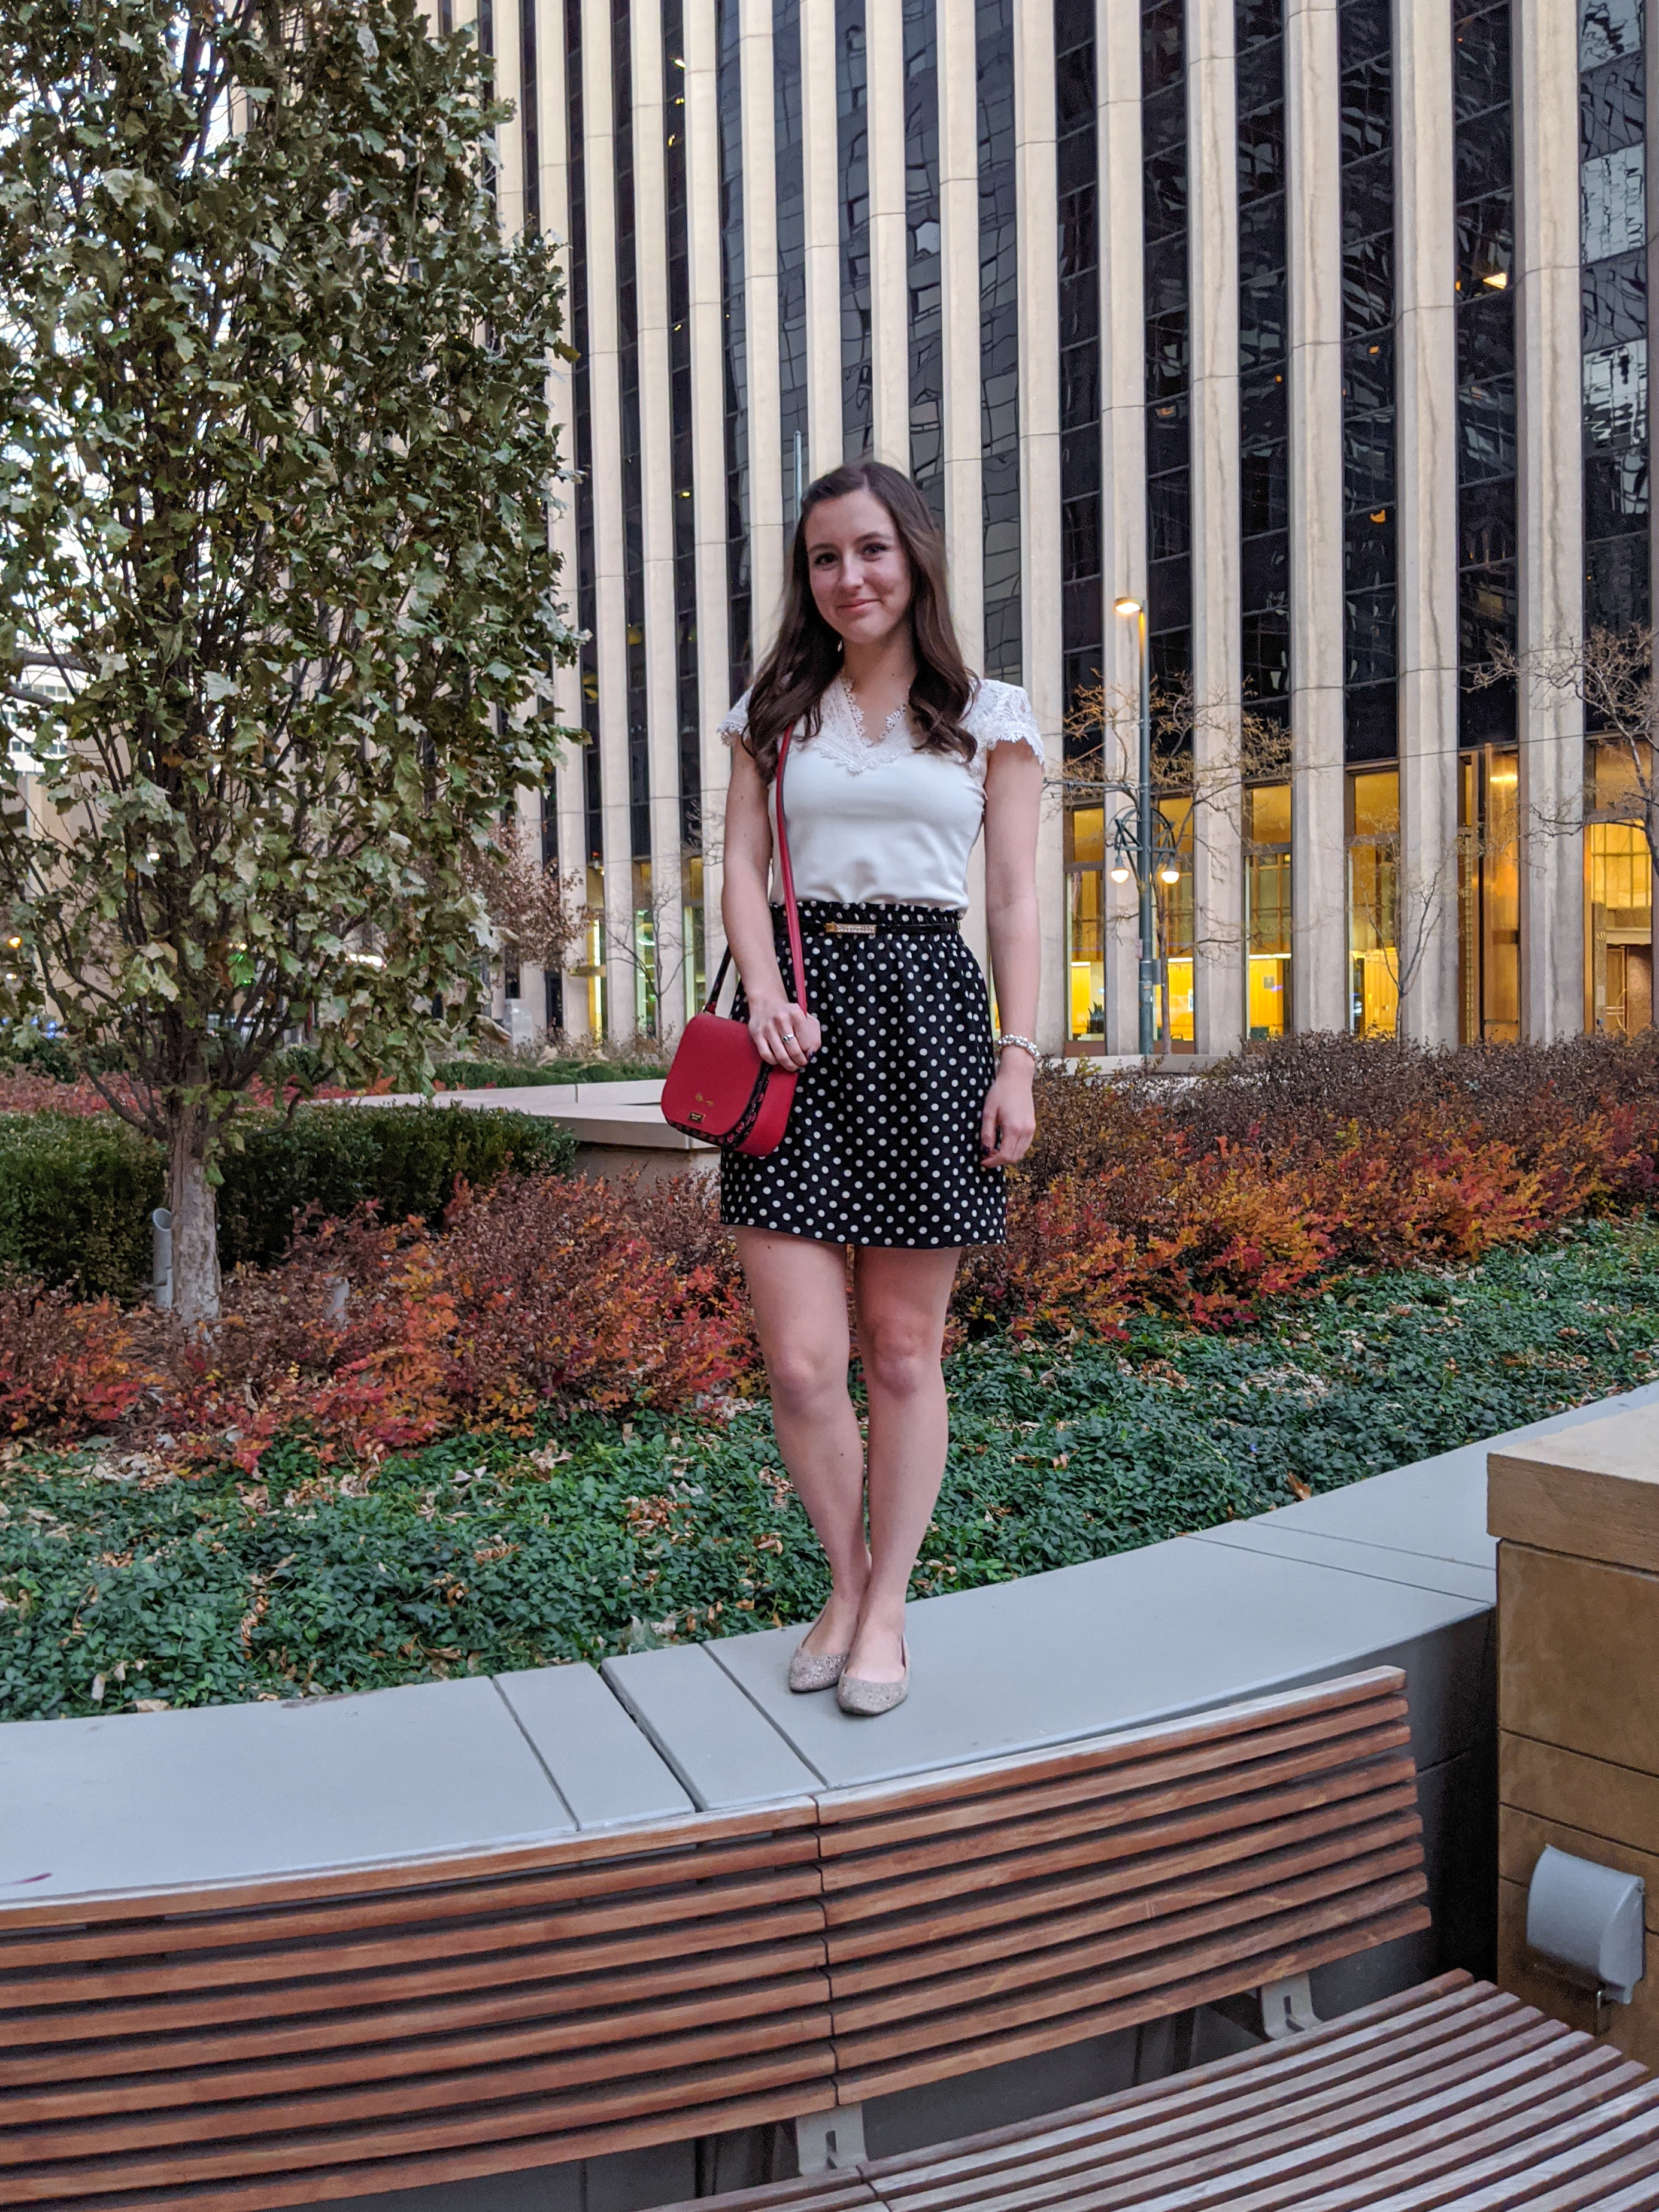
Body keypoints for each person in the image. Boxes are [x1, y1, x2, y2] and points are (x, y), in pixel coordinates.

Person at [718, 460, 1043, 1718]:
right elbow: (742, 867)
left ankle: (888, 1603)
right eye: (822, 558)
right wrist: (761, 989)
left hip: (928, 1015)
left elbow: (1015, 898)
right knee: (802, 1364)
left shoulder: (988, 715)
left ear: (912, 556)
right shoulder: (773, 710)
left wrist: (1019, 1056)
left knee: (902, 1352)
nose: (847, 577)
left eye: (868, 550)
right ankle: (844, 1581)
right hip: (795, 1027)